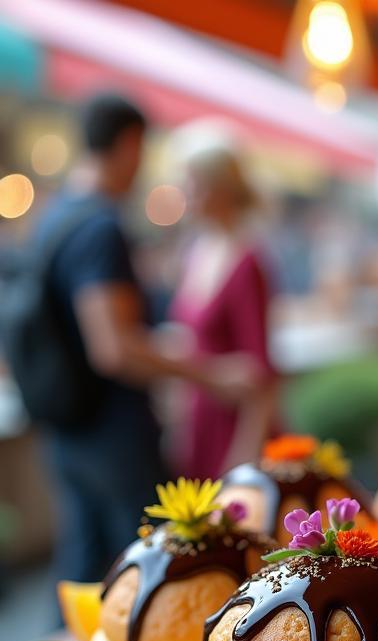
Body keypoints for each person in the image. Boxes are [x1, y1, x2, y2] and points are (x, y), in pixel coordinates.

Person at [33, 93, 258, 584]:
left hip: (68, 430)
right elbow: (113, 346)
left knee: (86, 570)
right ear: (130, 144)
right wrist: (206, 372)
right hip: (113, 436)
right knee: (147, 577)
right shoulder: (100, 227)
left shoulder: (55, 217)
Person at [168, 126, 276, 478]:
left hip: (235, 429)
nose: (186, 194)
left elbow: (261, 373)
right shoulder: (196, 253)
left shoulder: (247, 262)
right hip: (200, 421)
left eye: (193, 183)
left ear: (221, 188)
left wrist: (244, 460)